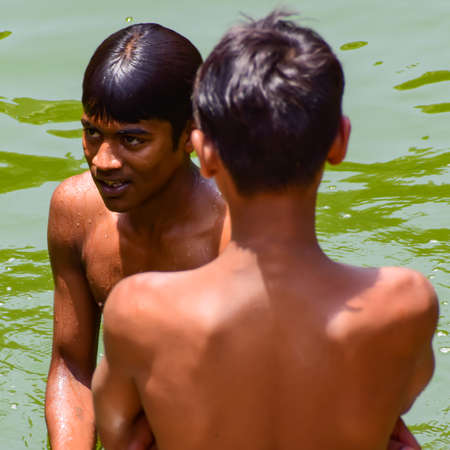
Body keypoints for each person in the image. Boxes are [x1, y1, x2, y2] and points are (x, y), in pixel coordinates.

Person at [92, 10, 438, 450]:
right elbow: (398, 403)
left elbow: (120, 435)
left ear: (204, 152)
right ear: (339, 141)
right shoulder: (403, 304)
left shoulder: (139, 312)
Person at [45, 23, 228, 449]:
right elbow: (72, 368)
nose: (103, 161)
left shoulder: (235, 229)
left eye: (131, 139)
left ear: (189, 136)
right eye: (93, 132)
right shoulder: (76, 211)